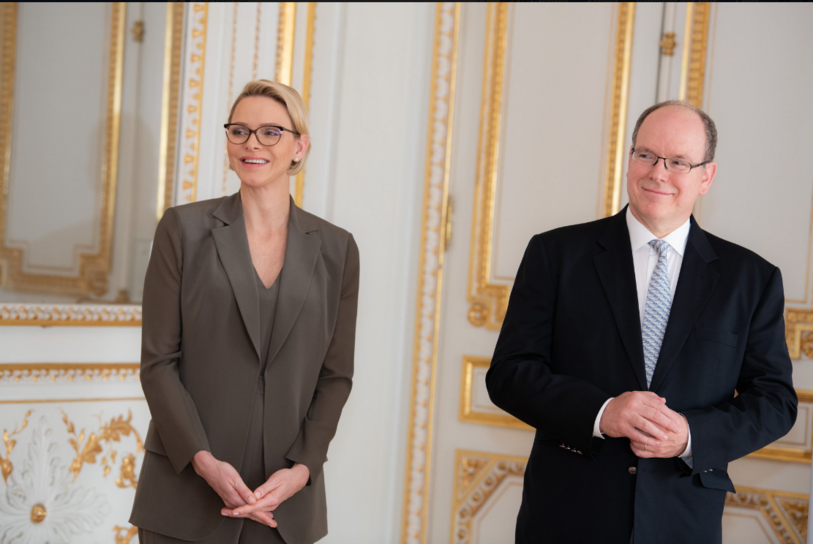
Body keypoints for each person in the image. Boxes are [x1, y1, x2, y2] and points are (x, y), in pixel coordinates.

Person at [486, 101, 797, 543]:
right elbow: (510, 374)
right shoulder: (555, 255)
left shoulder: (752, 279)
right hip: (567, 516)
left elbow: (775, 401)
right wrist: (602, 412)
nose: (658, 173)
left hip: (682, 521)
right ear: (629, 158)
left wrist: (690, 435)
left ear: (706, 177)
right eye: (646, 155)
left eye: (678, 162)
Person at [130, 80, 359, 544]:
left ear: (299, 146)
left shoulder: (338, 249)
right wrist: (202, 460)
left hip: (285, 506)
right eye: (239, 131)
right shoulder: (183, 230)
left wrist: (303, 469)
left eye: (271, 132)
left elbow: (335, 376)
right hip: (185, 495)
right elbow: (158, 364)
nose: (252, 143)